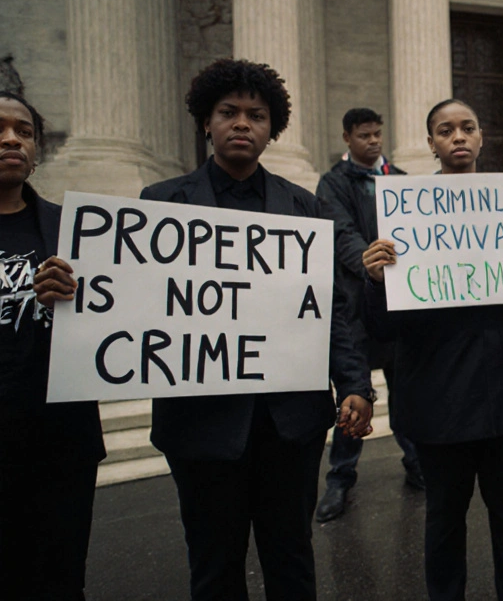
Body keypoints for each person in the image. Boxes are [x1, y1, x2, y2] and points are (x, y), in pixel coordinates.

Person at [32, 59, 376, 600]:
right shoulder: (161, 205)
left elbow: (330, 309)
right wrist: (77, 296)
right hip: (201, 428)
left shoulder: (307, 208)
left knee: (292, 562)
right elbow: (134, 306)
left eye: (256, 115)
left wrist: (355, 385)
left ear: (272, 128)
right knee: (213, 568)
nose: (242, 124)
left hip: (290, 427)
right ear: (206, 123)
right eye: (228, 112)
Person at [362, 99, 503, 601]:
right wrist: (378, 279)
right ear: (431, 144)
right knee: (444, 515)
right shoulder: (406, 217)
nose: (458, 137)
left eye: (467, 127)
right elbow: (381, 328)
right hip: (437, 398)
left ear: (482, 137)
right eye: (446, 130)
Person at [4, 92, 104, 601]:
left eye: (23, 131)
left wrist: (78, 298)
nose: (11, 139)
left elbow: (111, 320)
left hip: (59, 443)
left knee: (63, 579)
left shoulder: (76, 231)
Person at [313, 107, 423, 523]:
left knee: (406, 389)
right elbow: (339, 231)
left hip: (398, 305)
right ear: (347, 138)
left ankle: (415, 463)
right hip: (355, 306)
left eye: (377, 134)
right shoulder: (332, 183)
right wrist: (366, 263)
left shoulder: (401, 181)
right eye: (364, 135)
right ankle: (341, 478)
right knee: (355, 395)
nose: (373, 141)